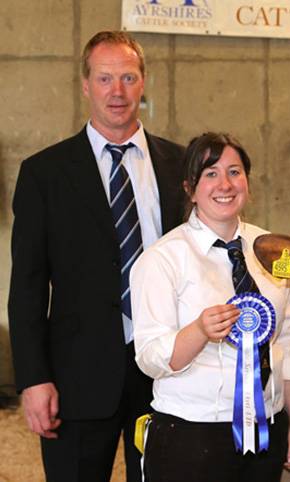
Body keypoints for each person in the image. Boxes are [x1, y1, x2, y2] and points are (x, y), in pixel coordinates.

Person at [8, 31, 185, 482]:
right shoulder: (44, 174)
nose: (117, 91)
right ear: (85, 85)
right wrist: (32, 378)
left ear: (144, 82)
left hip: (168, 374)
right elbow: (27, 288)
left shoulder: (182, 167)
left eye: (128, 77)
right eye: (104, 78)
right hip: (76, 379)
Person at [130, 132, 290, 482]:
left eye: (234, 172)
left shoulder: (275, 250)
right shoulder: (162, 259)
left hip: (265, 431)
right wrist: (198, 332)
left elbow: (288, 341)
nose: (224, 184)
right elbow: (149, 358)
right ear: (190, 189)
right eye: (210, 174)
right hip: (192, 433)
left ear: (248, 184)